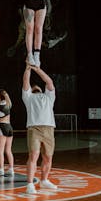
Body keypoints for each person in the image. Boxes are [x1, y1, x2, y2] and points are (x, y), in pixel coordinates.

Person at [22, 62, 58, 194]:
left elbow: (49, 81)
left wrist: (37, 69)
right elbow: (26, 80)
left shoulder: (49, 96)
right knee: (34, 155)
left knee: (48, 157)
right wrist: (28, 68)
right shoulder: (28, 97)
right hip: (34, 129)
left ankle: (44, 181)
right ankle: (30, 184)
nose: (35, 87)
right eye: (33, 87)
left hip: (49, 129)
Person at [0, 89, 15, 176]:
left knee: (0, 150)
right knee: (8, 150)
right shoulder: (8, 103)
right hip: (9, 127)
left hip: (2, 127)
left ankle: (1, 169)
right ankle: (11, 169)